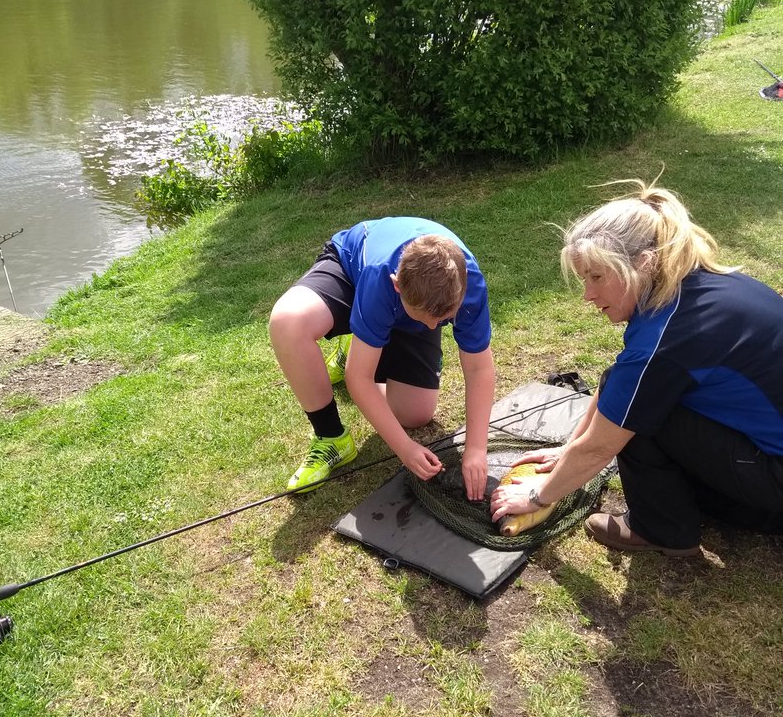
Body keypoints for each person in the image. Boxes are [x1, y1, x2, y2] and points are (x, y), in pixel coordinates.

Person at [490, 181, 783, 555]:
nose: (588, 295)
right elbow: (619, 382)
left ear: (643, 263)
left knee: (638, 418)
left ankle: (660, 530)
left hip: (775, 479)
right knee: (627, 391)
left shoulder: (666, 338)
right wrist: (567, 449)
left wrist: (537, 496)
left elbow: (601, 446)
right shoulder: (703, 285)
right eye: (584, 279)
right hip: (763, 450)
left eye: (597, 277)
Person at [269, 217, 496, 495]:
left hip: (407, 306)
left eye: (444, 319)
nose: (433, 328)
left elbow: (478, 369)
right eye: (427, 319)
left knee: (415, 414)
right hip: (352, 272)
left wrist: (476, 449)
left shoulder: (468, 285)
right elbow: (359, 378)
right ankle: (331, 435)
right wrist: (404, 448)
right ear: (397, 285)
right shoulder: (380, 277)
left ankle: (363, 345)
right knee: (288, 323)